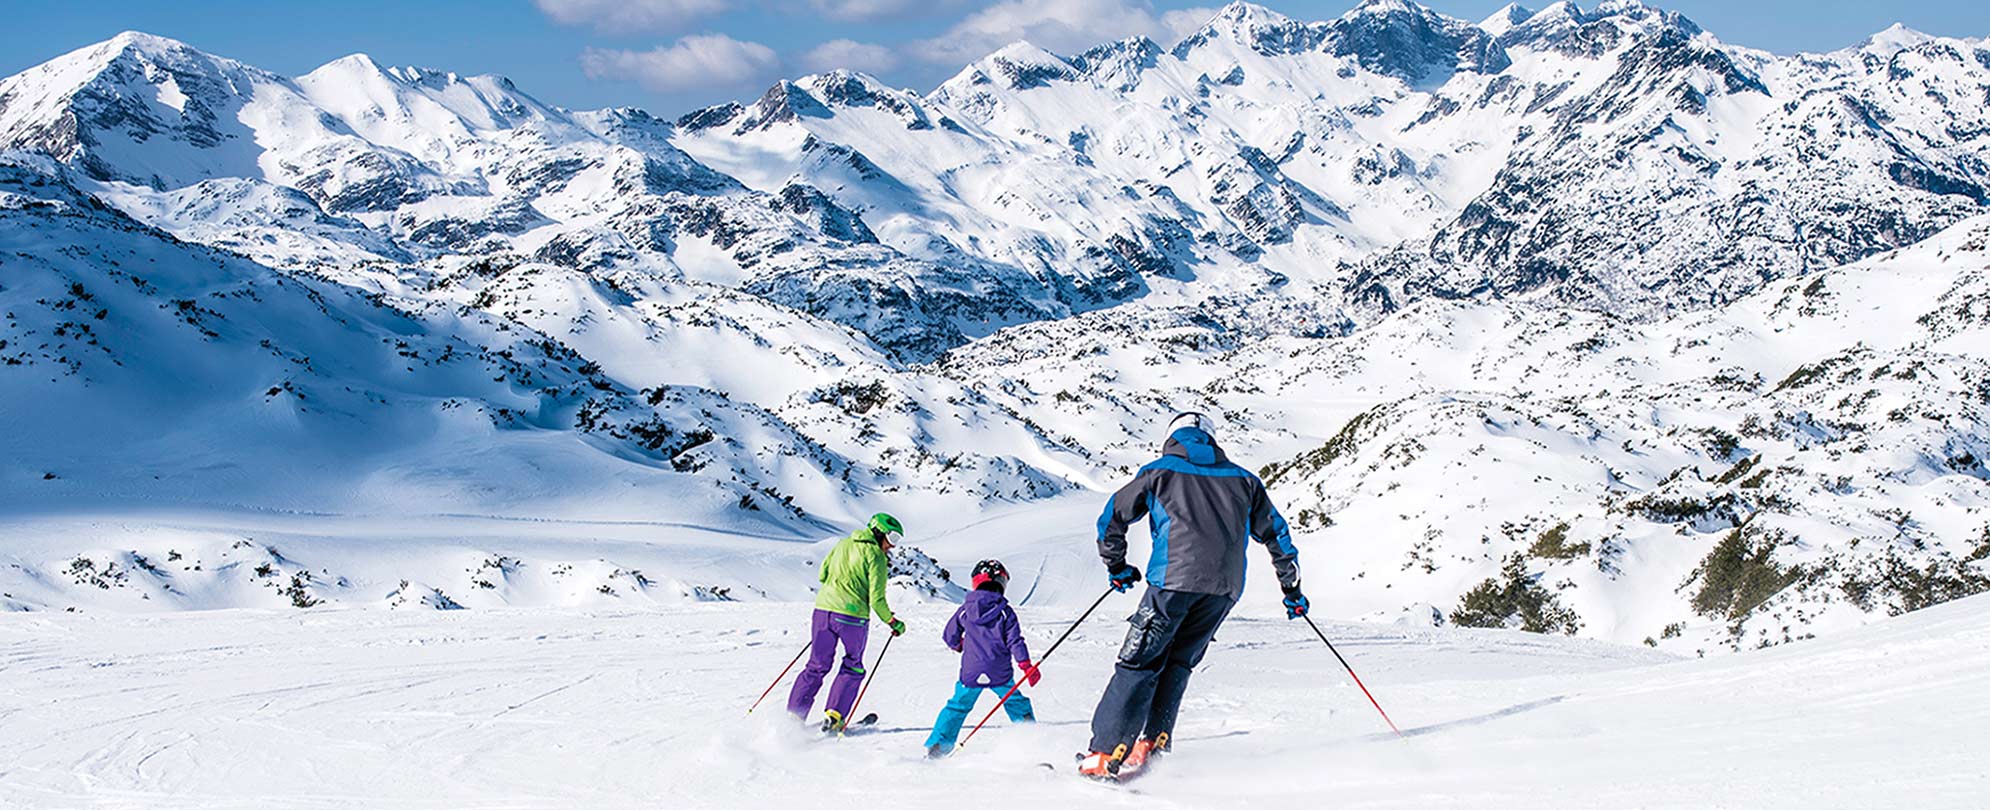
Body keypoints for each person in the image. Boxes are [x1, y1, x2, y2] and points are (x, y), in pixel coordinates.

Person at [1079, 412, 1307, 779]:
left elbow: (1111, 519)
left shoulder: (1159, 472)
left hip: (1172, 582)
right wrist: (1291, 589)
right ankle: (1150, 743)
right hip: (1223, 590)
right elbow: (1277, 536)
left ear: (1172, 438)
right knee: (1178, 663)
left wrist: (1117, 567)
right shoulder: (1245, 480)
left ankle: (1105, 753)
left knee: (1139, 662)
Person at [787, 513, 907, 732]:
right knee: (853, 665)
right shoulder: (876, 556)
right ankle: (834, 716)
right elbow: (877, 598)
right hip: (852, 617)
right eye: (893, 537)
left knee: (816, 664)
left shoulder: (841, 545)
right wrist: (892, 621)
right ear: (878, 531)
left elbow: (823, 575)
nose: (892, 545)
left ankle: (794, 716)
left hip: (823, 611)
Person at [922, 559, 1040, 758]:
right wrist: (1026, 665)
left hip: (971, 672)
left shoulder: (965, 610)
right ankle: (1029, 741)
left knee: (957, 705)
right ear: (1001, 584)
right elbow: (1015, 641)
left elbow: (949, 635)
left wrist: (960, 646)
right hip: (1000, 673)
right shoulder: (1005, 611)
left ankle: (938, 746)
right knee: (1015, 702)